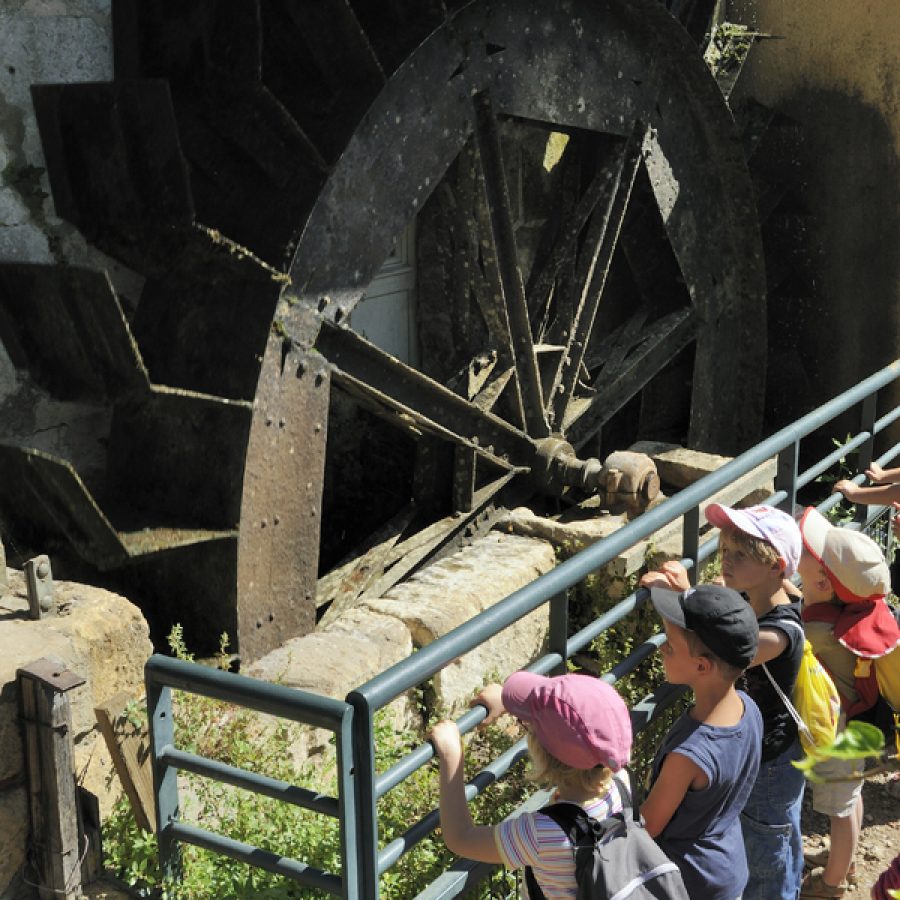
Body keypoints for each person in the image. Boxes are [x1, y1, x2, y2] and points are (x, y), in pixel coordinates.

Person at [642, 503, 806, 900]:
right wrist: (695, 593)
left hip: (772, 761)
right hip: (755, 744)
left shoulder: (777, 634)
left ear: (776, 567)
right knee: (775, 837)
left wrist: (684, 599)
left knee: (769, 850)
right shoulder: (769, 595)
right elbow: (724, 625)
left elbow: (718, 647)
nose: (727, 562)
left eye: (741, 555)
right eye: (726, 551)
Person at [429, 671, 633, 898]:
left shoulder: (540, 835)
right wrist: (510, 704)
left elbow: (461, 838)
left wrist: (451, 756)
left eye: (529, 727)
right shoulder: (619, 783)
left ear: (541, 752)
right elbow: (587, 732)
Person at [796, 506, 900, 899]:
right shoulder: (856, 610)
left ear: (823, 582)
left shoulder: (818, 629)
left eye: (807, 552)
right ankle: (847, 858)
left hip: (835, 734)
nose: (798, 550)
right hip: (858, 725)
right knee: (850, 799)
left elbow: (796, 630)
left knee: (839, 809)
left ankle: (832, 884)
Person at [639, 582, 763, 900]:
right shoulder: (749, 708)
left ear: (701, 666)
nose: (662, 648)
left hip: (690, 881)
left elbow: (649, 824)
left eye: (670, 645)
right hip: (727, 865)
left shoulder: (689, 755)